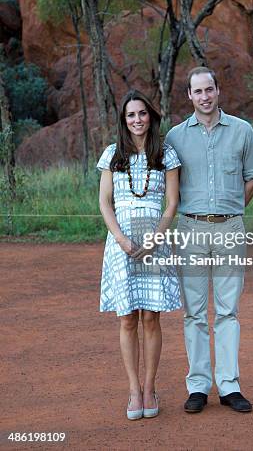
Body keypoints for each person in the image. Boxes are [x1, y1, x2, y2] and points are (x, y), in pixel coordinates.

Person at [165, 66, 253, 414]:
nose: (204, 97)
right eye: (197, 92)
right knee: (193, 311)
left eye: (209, 89)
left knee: (227, 310)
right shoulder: (175, 137)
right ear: (189, 96)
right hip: (190, 228)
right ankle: (198, 387)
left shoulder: (242, 131)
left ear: (218, 90)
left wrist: (231, 212)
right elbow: (169, 186)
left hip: (230, 228)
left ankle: (230, 386)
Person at [97, 90, 182, 420]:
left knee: (151, 317)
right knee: (128, 317)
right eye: (131, 115)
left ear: (151, 117)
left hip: (155, 242)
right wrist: (120, 239)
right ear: (124, 120)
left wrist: (155, 239)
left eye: (142, 114)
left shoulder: (166, 154)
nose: (137, 120)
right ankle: (133, 391)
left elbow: (172, 202)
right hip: (121, 245)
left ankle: (150, 388)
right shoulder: (112, 155)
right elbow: (105, 202)